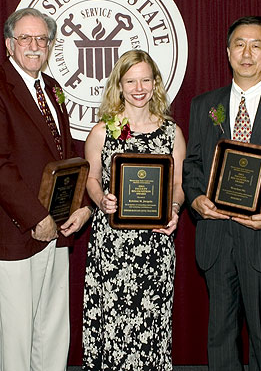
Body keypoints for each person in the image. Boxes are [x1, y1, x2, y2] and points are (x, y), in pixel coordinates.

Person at [0, 7, 92, 371]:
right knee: (18, 335)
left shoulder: (52, 88)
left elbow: (68, 155)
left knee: (53, 329)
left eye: (42, 39)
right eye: (26, 38)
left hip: (58, 228)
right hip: (17, 229)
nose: (35, 46)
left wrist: (80, 205)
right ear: (10, 44)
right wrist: (37, 217)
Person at [182, 16, 261, 371]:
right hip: (216, 239)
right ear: (227, 52)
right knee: (219, 336)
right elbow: (191, 165)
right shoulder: (204, 105)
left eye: (256, 45)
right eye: (239, 44)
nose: (247, 53)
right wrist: (195, 199)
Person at [82, 49, 186, 370]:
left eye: (145, 80)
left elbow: (179, 185)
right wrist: (101, 200)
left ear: (155, 83)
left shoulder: (172, 132)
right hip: (112, 246)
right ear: (119, 85)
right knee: (113, 329)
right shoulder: (103, 131)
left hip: (155, 245)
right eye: (130, 81)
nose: (138, 88)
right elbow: (91, 178)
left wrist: (174, 209)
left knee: (152, 326)